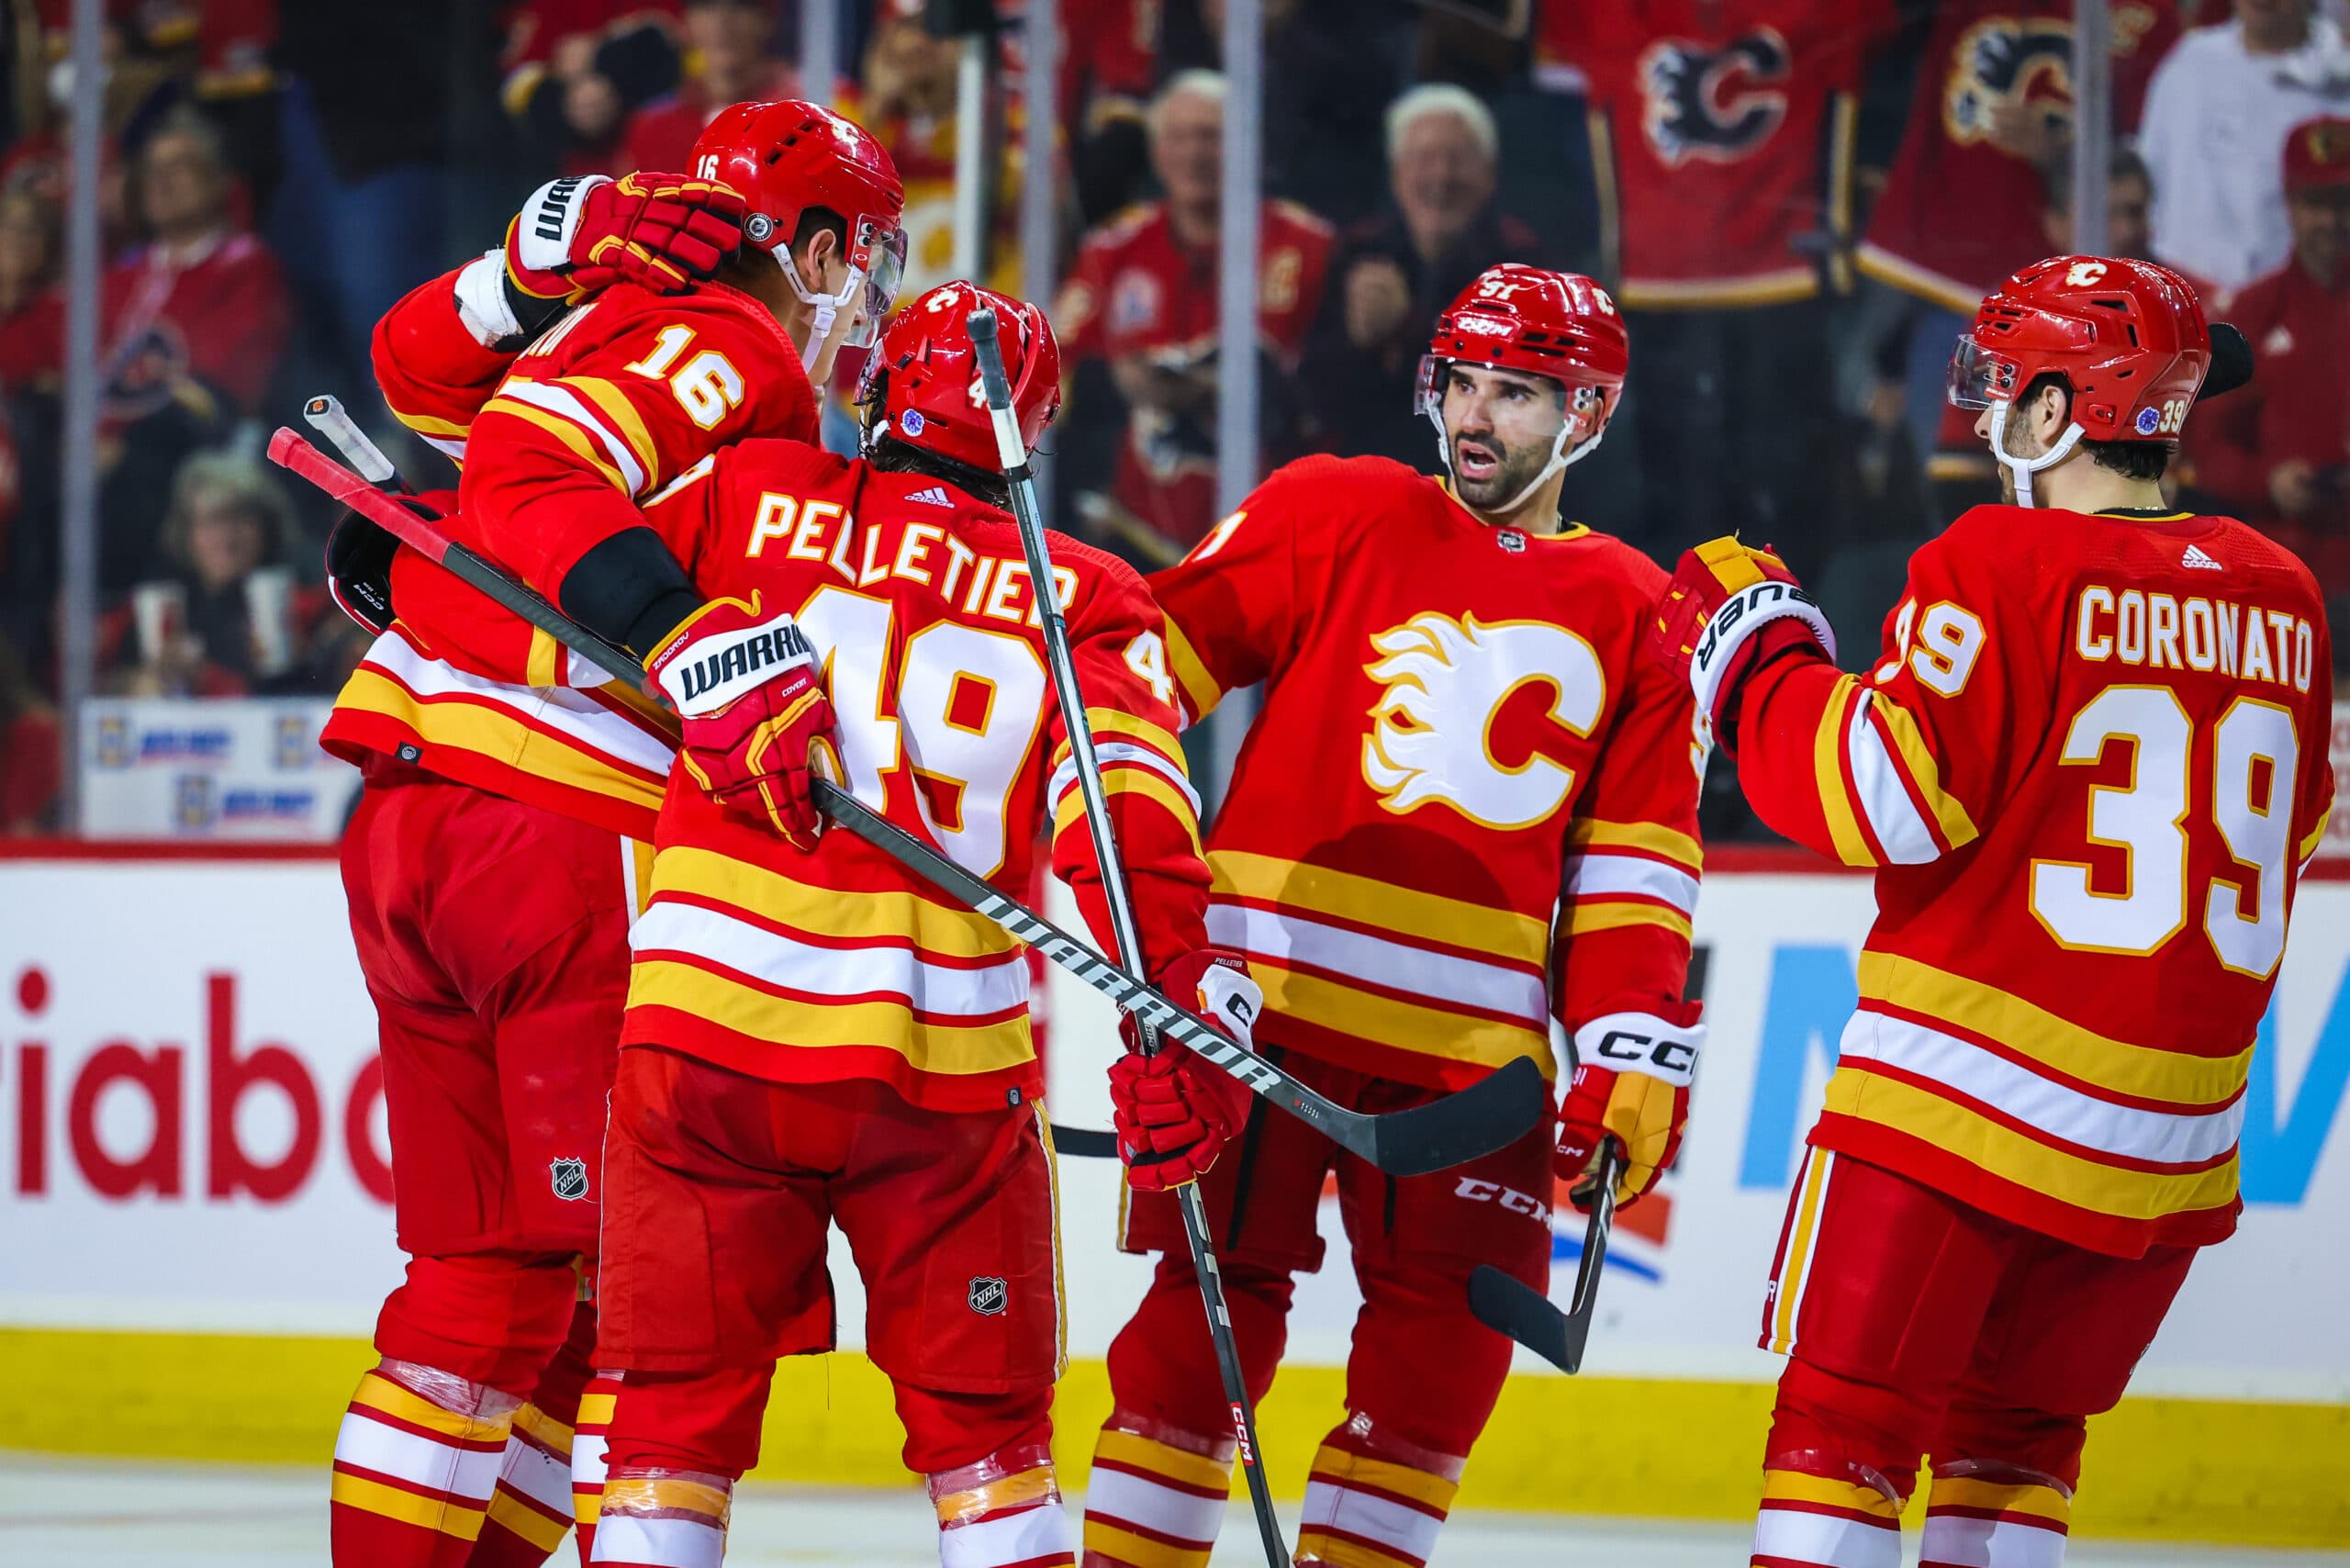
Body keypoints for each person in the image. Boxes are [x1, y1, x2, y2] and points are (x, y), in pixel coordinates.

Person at [1650, 254, 2333, 1568]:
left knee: (1839, 1439)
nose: (1986, 412)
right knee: (2016, 1454)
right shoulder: (2289, 599)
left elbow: (1876, 799)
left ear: (2067, 410)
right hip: (2165, 1152)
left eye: (2010, 385)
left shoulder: (1999, 559)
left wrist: (1758, 663)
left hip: (1958, 1119)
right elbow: (2292, 828)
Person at [576, 279, 1254, 1568]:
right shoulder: (1084, 595)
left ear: (877, 388)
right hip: (939, 1081)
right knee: (990, 1453)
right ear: (1032, 437)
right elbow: (1132, 838)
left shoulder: (743, 495)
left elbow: (564, 613)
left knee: (666, 1437)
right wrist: (1175, 1013)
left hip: (702, 1050)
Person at [1080, 264, 1707, 1568]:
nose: (1477, 417)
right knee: (1199, 1335)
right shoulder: (1332, 508)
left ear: (1587, 414)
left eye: (1519, 394)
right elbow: (1134, 694)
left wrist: (1633, 1044)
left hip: (1469, 1066)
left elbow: (1638, 870)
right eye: (1463, 381)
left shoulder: (1643, 613)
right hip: (1261, 1011)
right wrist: (1153, 922)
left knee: (1438, 1378)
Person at [316, 162, 775, 1568]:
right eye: (853, 250)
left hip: (409, 820)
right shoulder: (738, 350)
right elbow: (544, 489)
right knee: (567, 1295)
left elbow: (410, 369)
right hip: (553, 832)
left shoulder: (587, 319)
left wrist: (526, 267)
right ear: (802, 241)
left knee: (508, 1289)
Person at [1054, 70, 1333, 561]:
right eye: (1178, 137)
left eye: (1212, 137)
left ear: (1247, 146)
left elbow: (1331, 388)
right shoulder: (1111, 251)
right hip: (1138, 542)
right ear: (1157, 153)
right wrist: (1118, 384)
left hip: (1276, 537)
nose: (1194, 154)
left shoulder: (1307, 247)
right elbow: (1051, 373)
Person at [1299, 84, 1545, 468]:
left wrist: (1405, 328)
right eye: (1424, 158)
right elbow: (1316, 394)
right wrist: (1359, 343)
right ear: (1397, 175)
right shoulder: (1359, 251)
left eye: (1458, 159)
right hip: (1372, 482)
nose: (1441, 176)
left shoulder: (1523, 264)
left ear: (1489, 174)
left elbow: (1506, 397)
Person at [2187, 116, 2350, 615]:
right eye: (2314, 203)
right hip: (2282, 579)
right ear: (2289, 203)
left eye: (2343, 203)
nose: (2331, 222)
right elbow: (2203, 442)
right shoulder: (2252, 314)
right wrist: (2268, 480)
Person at [2141, 0, 2350, 296]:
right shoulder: (2188, 65)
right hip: (2188, 302)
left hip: (2304, 306)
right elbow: (2149, 180)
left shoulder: (2340, 79)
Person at [618, 0, 798, 174]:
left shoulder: (800, 117)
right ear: (687, 22)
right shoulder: (653, 129)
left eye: (741, 4)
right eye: (707, 5)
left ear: (767, 20)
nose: (723, 22)